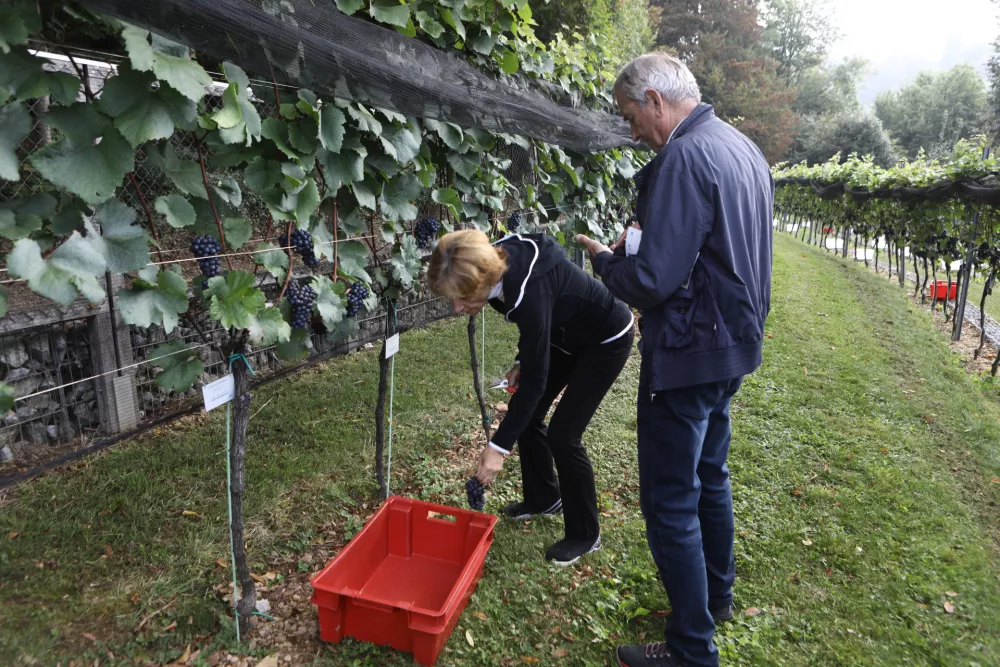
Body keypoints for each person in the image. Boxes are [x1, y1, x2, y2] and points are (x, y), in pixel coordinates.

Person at [575, 52, 774, 667]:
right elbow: (710, 250)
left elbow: (656, 279)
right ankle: (716, 597)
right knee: (710, 475)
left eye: (631, 116)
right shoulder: (740, 146)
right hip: (734, 344)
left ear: (656, 101)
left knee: (669, 500)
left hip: (691, 352)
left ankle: (691, 650)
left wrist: (607, 262)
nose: (632, 130)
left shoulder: (684, 157)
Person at [428, 229, 635, 565]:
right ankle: (544, 498)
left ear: (484, 279)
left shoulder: (528, 289)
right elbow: (537, 324)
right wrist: (524, 358)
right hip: (565, 332)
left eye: (462, 297)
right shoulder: (495, 268)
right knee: (527, 413)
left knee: (564, 435)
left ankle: (585, 534)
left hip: (605, 338)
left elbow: (536, 375)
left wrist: (497, 449)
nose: (456, 307)